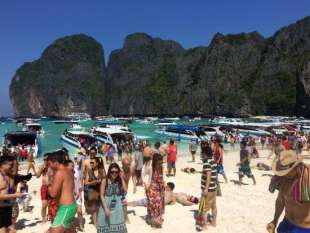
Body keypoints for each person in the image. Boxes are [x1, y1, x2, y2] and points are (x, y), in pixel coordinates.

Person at [267, 150, 310, 233]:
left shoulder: (308, 177)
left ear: (296, 166)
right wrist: (275, 220)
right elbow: (280, 200)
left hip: (305, 228)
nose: (284, 175)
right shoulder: (283, 178)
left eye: (286, 172)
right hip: (286, 224)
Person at [46, 151, 77, 233]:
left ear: (55, 163)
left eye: (50, 164)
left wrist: (48, 183)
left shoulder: (59, 173)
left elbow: (53, 193)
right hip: (70, 205)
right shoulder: (69, 171)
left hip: (66, 207)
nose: (49, 166)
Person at [97, 163, 127, 233]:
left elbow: (125, 190)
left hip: (117, 207)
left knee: (116, 225)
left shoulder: (119, 181)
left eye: (116, 172)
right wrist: (106, 209)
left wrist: (122, 178)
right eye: (112, 172)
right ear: (109, 172)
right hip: (106, 205)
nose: (114, 174)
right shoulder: (105, 181)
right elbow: (101, 195)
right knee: (106, 225)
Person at [0, 156, 26, 233]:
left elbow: (10, 191)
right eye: (10, 165)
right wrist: (15, 195)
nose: (12, 167)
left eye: (12, 165)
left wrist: (17, 192)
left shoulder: (10, 176)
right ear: (2, 165)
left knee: (9, 230)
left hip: (8, 207)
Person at [196, 141, 218, 231]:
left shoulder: (206, 163)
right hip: (214, 188)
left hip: (208, 190)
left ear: (204, 154)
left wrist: (205, 189)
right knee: (213, 206)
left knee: (203, 208)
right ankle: (214, 222)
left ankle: (204, 225)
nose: (200, 154)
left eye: (201, 153)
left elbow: (208, 175)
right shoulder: (213, 161)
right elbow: (214, 174)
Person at [146, 153, 165, 228]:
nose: (160, 165)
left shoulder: (162, 167)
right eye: (158, 163)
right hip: (152, 188)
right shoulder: (150, 168)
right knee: (153, 203)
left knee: (160, 204)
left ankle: (157, 219)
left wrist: (164, 183)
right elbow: (144, 174)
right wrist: (145, 184)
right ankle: (153, 220)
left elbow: (162, 177)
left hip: (160, 188)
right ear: (154, 162)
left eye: (161, 163)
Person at [67, 159, 84, 231]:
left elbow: (79, 184)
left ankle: (81, 225)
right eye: (71, 166)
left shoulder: (77, 172)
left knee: (79, 211)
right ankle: (72, 227)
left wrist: (80, 195)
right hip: (69, 196)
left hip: (77, 195)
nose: (72, 167)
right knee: (71, 213)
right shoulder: (65, 174)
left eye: (73, 165)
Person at [36, 154, 50, 223]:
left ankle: (50, 215)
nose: (45, 161)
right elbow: (37, 176)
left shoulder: (53, 167)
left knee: (51, 203)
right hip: (44, 187)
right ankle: (43, 218)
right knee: (44, 205)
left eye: (46, 159)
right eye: (44, 159)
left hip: (51, 187)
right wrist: (41, 169)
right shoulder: (42, 167)